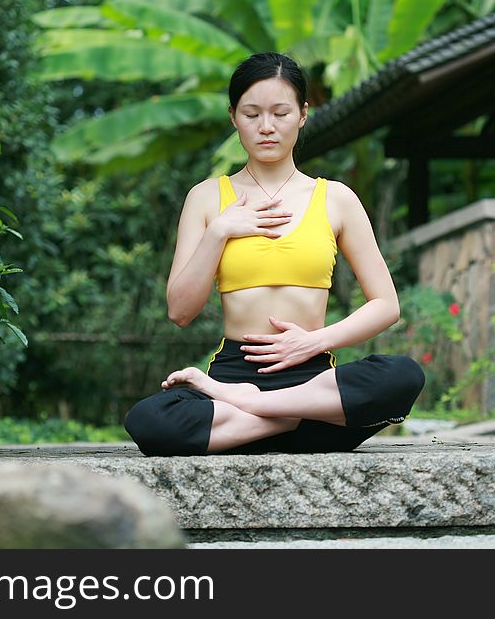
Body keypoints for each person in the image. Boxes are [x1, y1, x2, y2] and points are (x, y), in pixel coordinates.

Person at [124, 52, 424, 456]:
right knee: (148, 421)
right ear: (233, 117)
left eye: (280, 113)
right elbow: (180, 312)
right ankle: (284, 419)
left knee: (403, 376)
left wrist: (313, 342)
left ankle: (261, 413)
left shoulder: (336, 198)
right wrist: (220, 231)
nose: (266, 127)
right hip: (238, 378)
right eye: (251, 114)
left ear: (302, 114)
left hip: (311, 382)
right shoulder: (207, 197)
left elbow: (386, 304)